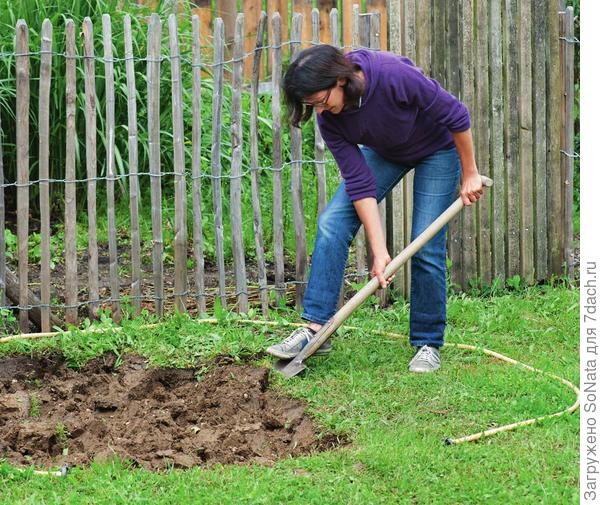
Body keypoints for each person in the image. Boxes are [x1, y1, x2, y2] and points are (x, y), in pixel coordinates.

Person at [266, 45, 484, 373]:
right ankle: (315, 329)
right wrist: (379, 250)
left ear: (341, 80)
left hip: (437, 149)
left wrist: (470, 173)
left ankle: (427, 342)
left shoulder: (393, 75)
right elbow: (359, 182)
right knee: (332, 222)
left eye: (321, 101)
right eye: (311, 106)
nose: (320, 111)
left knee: (424, 244)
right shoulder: (328, 117)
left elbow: (456, 114)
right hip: (387, 151)